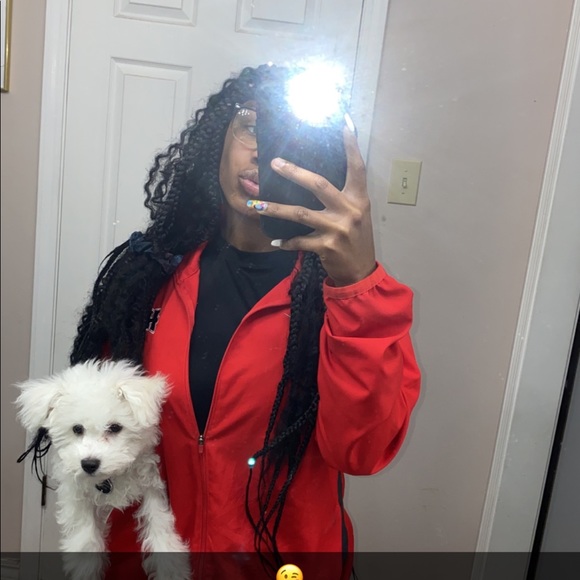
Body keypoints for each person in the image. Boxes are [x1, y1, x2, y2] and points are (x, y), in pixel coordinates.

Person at [70, 64, 421, 579]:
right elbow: (103, 438)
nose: (264, 152)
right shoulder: (149, 276)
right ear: (220, 138)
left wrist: (356, 284)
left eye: (292, 138)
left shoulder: (342, 298)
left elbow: (360, 451)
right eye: (252, 127)